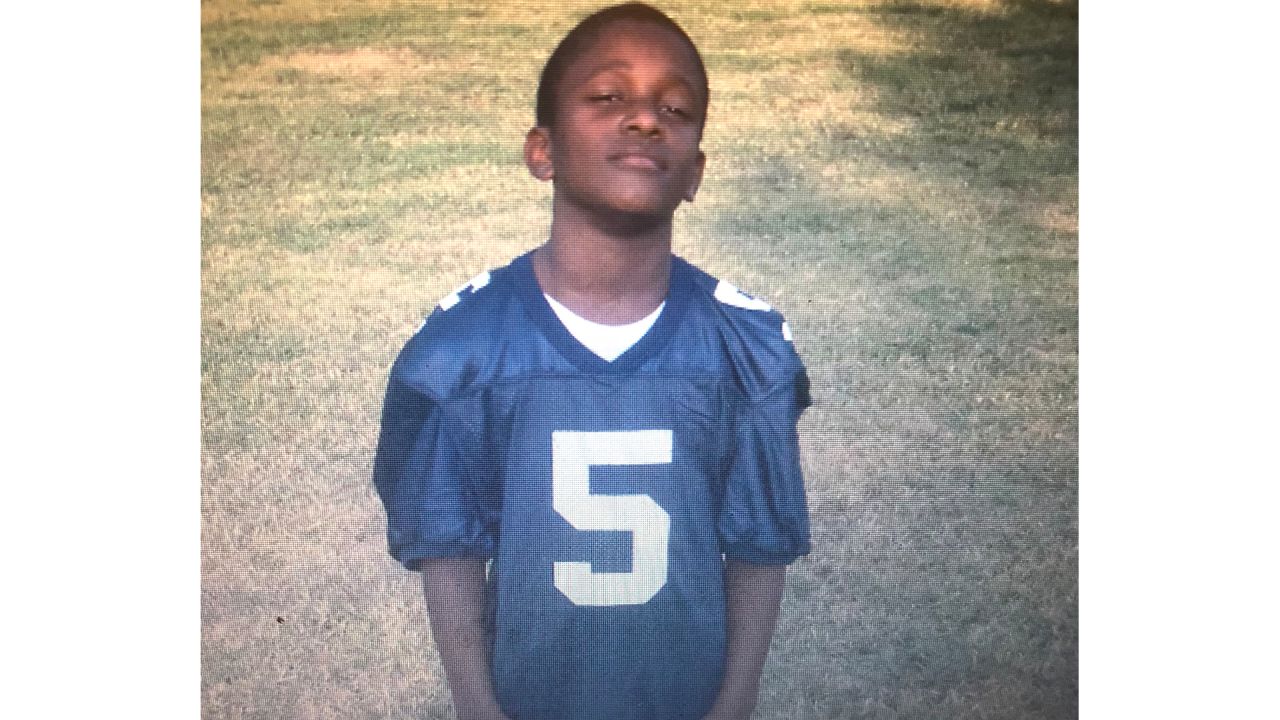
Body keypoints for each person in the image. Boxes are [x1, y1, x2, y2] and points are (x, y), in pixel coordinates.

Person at [372, 4, 811, 719]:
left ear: (695, 171)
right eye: (608, 97)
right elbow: (449, 551)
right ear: (541, 150)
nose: (645, 120)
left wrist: (733, 708)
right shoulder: (465, 350)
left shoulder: (744, 350)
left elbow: (760, 550)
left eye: (676, 107)